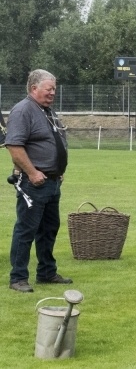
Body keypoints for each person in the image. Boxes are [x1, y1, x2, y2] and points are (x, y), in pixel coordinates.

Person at [7, 69, 71, 293]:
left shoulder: (47, 111)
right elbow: (14, 147)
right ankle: (18, 278)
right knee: (26, 230)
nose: (53, 92)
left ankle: (46, 272)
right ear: (34, 88)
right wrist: (33, 173)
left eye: (54, 88)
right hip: (34, 183)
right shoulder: (23, 110)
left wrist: (58, 170)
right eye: (49, 88)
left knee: (49, 229)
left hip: (52, 182)